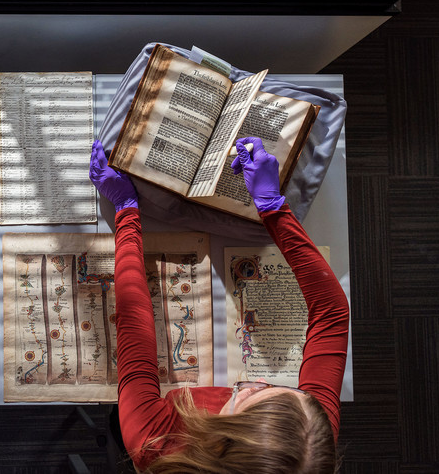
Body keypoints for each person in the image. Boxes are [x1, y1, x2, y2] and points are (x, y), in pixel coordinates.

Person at [89, 137, 349, 473]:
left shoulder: (156, 444)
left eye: (248, 395)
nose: (255, 383)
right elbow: (332, 315)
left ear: (224, 436)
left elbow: (133, 327)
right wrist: (273, 208)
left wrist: (126, 210)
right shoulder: (304, 443)